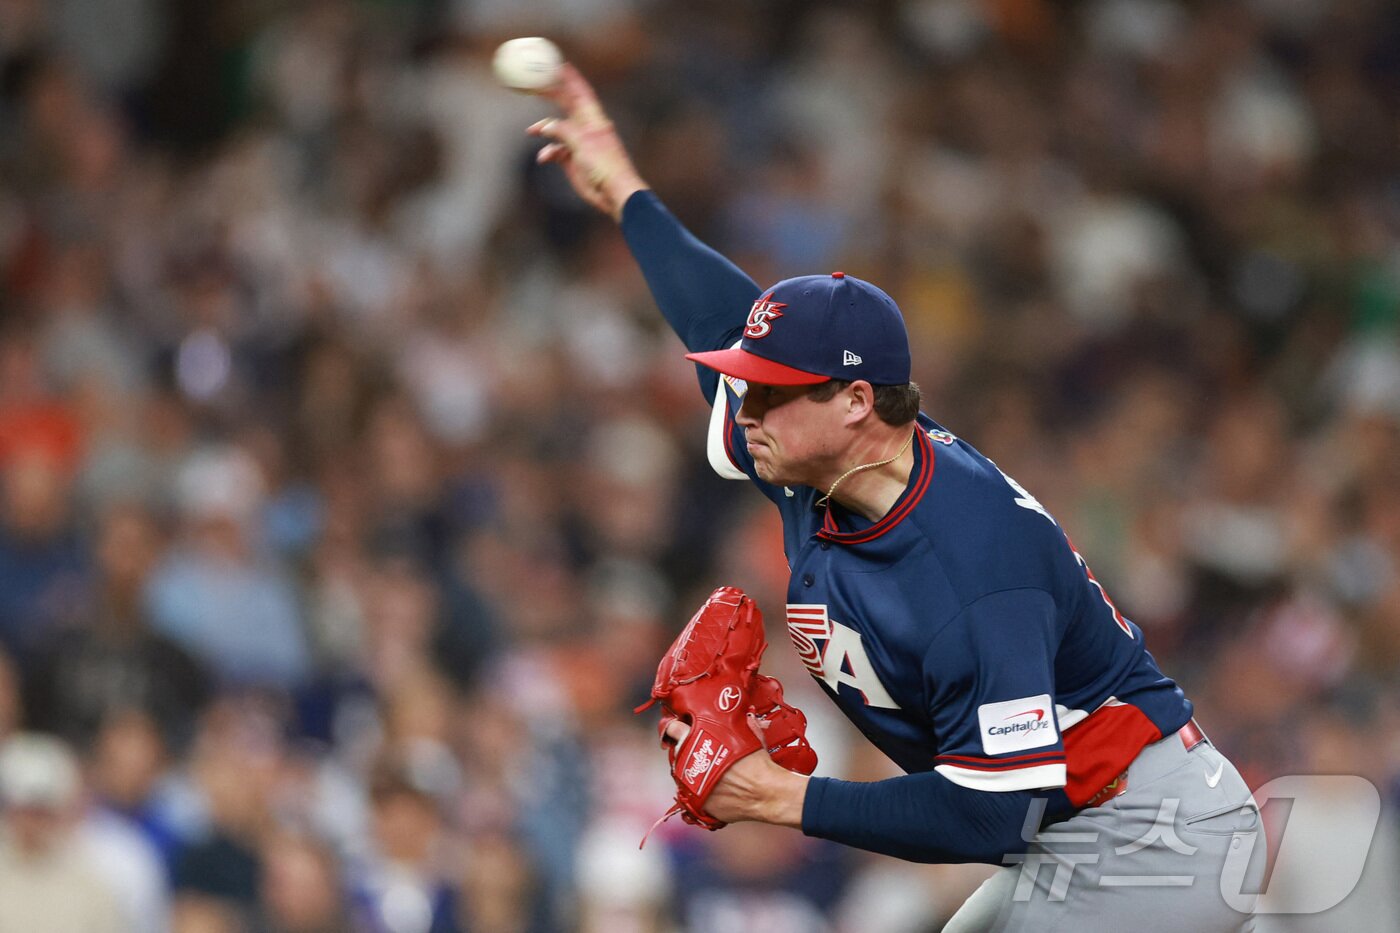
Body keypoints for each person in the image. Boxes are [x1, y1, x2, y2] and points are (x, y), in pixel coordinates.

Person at [526, 64, 1266, 931]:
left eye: (771, 389)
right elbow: (713, 316)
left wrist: (782, 796)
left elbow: (995, 813)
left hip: (1153, 831)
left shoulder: (974, 564)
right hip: (1067, 834)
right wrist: (625, 192)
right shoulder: (814, 456)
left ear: (854, 402)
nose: (746, 406)